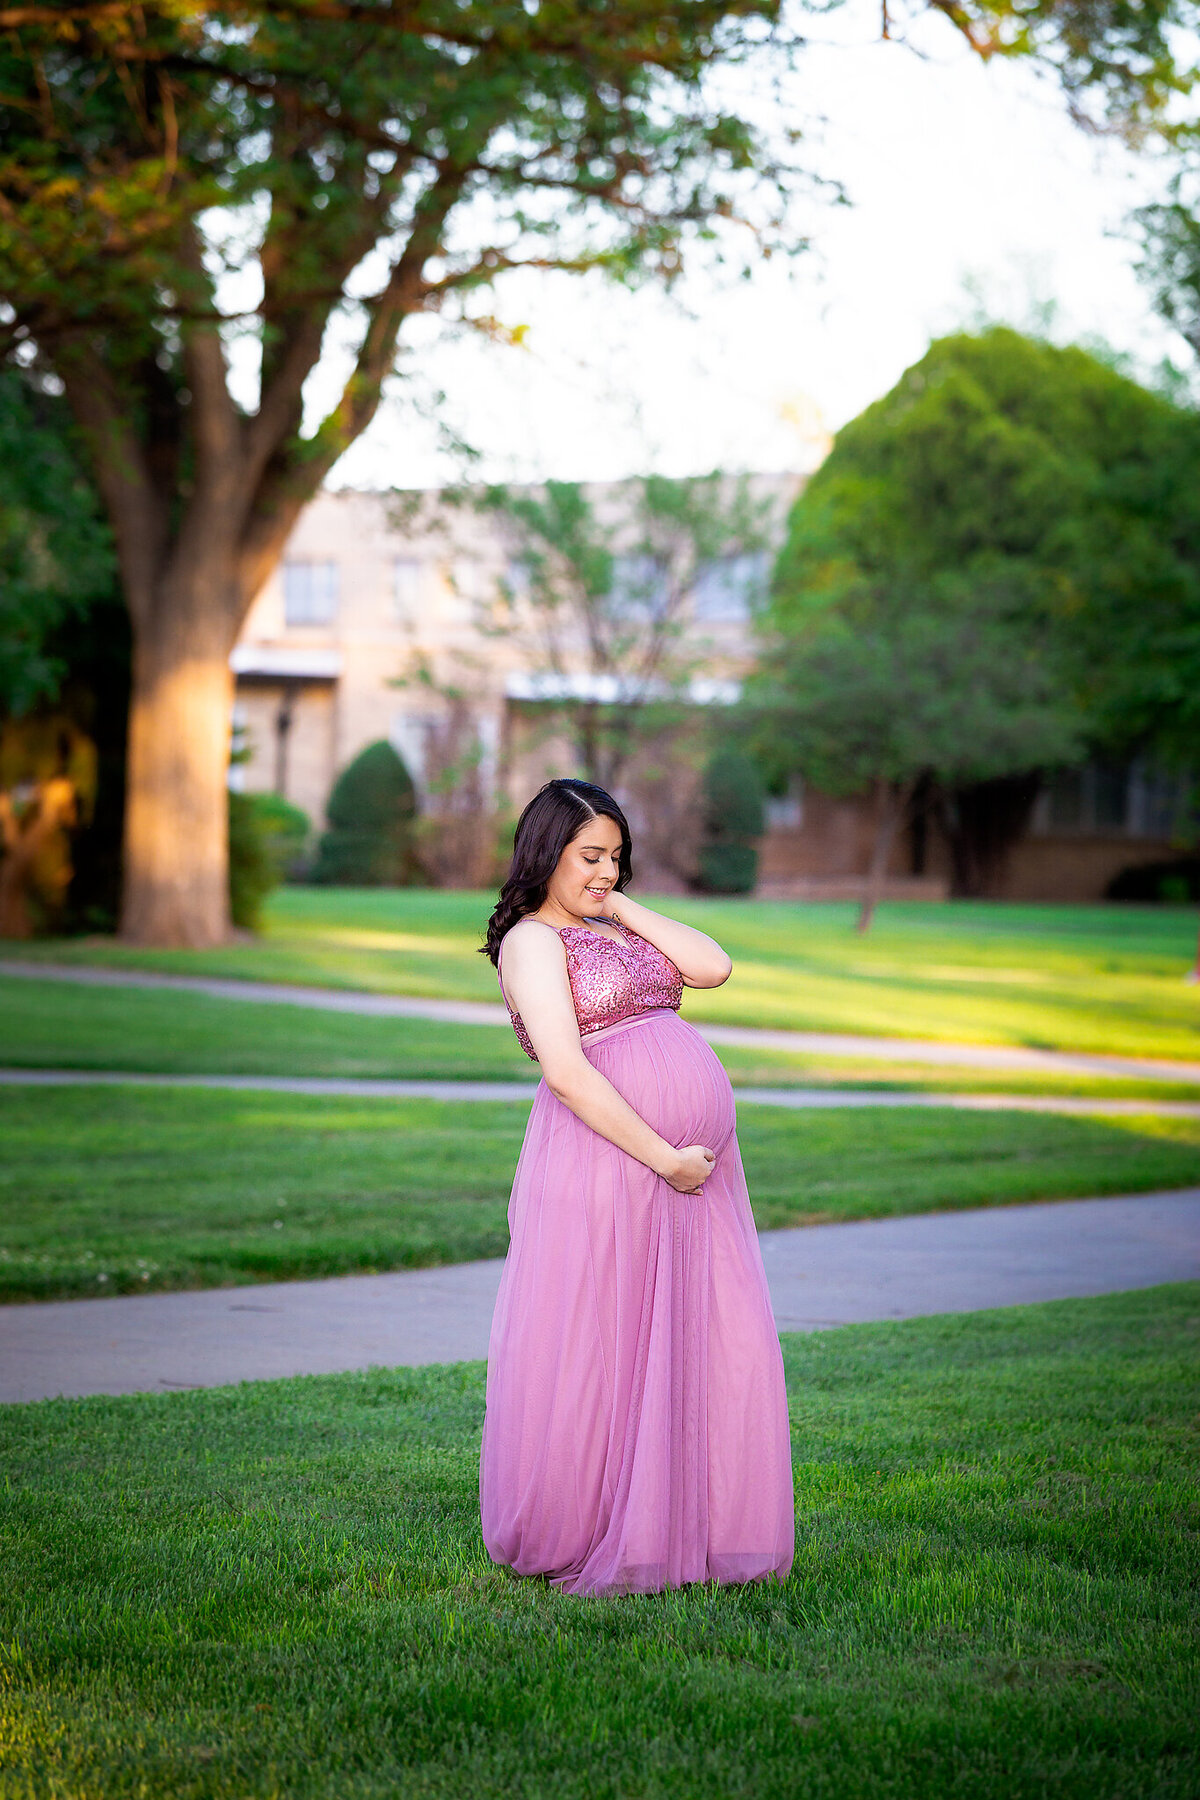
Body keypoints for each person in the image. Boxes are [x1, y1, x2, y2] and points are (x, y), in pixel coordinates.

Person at [478, 776, 794, 1597]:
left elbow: (713, 966)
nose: (606, 871)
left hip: (688, 1177)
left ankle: (677, 1528)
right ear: (545, 852)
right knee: (606, 1346)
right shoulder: (532, 942)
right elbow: (568, 1073)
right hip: (614, 1162)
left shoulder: (613, 926)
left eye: (617, 857)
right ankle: (589, 1526)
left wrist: (617, 905)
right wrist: (664, 1157)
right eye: (590, 856)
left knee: (689, 1339)